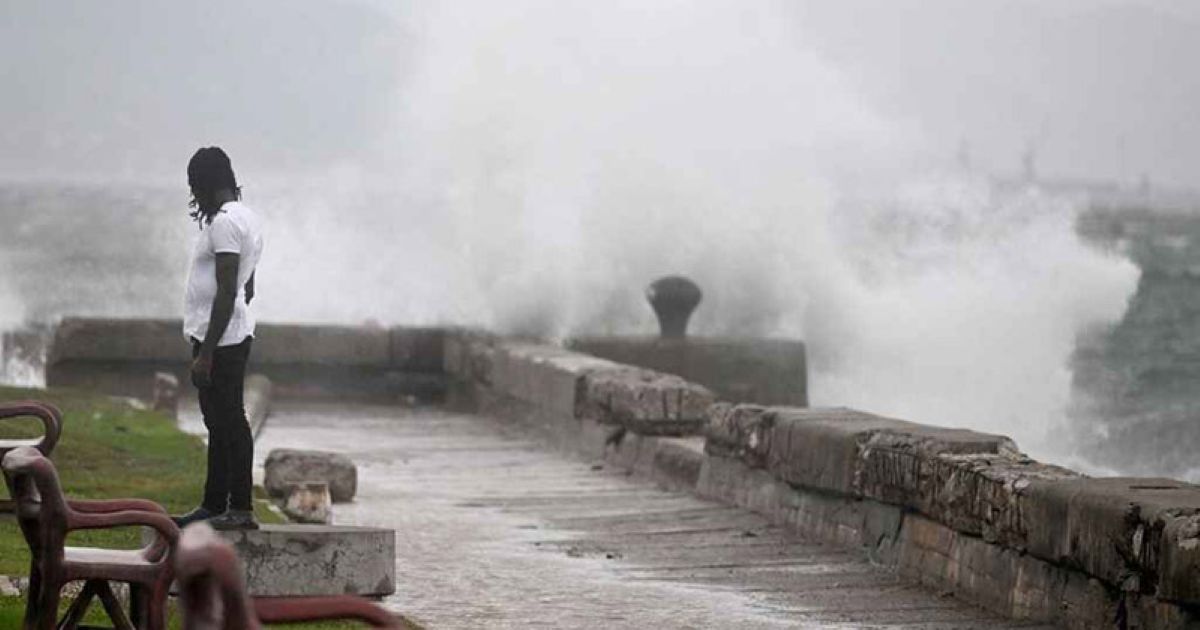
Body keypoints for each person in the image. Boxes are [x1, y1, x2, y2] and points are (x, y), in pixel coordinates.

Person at [172, 147, 265, 530]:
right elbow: (248, 281)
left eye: (196, 187)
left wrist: (206, 353)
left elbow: (228, 290)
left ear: (208, 185)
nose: (194, 196)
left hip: (222, 340)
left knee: (230, 420)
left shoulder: (225, 222)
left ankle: (239, 507)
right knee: (218, 420)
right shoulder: (247, 217)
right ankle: (214, 504)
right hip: (229, 333)